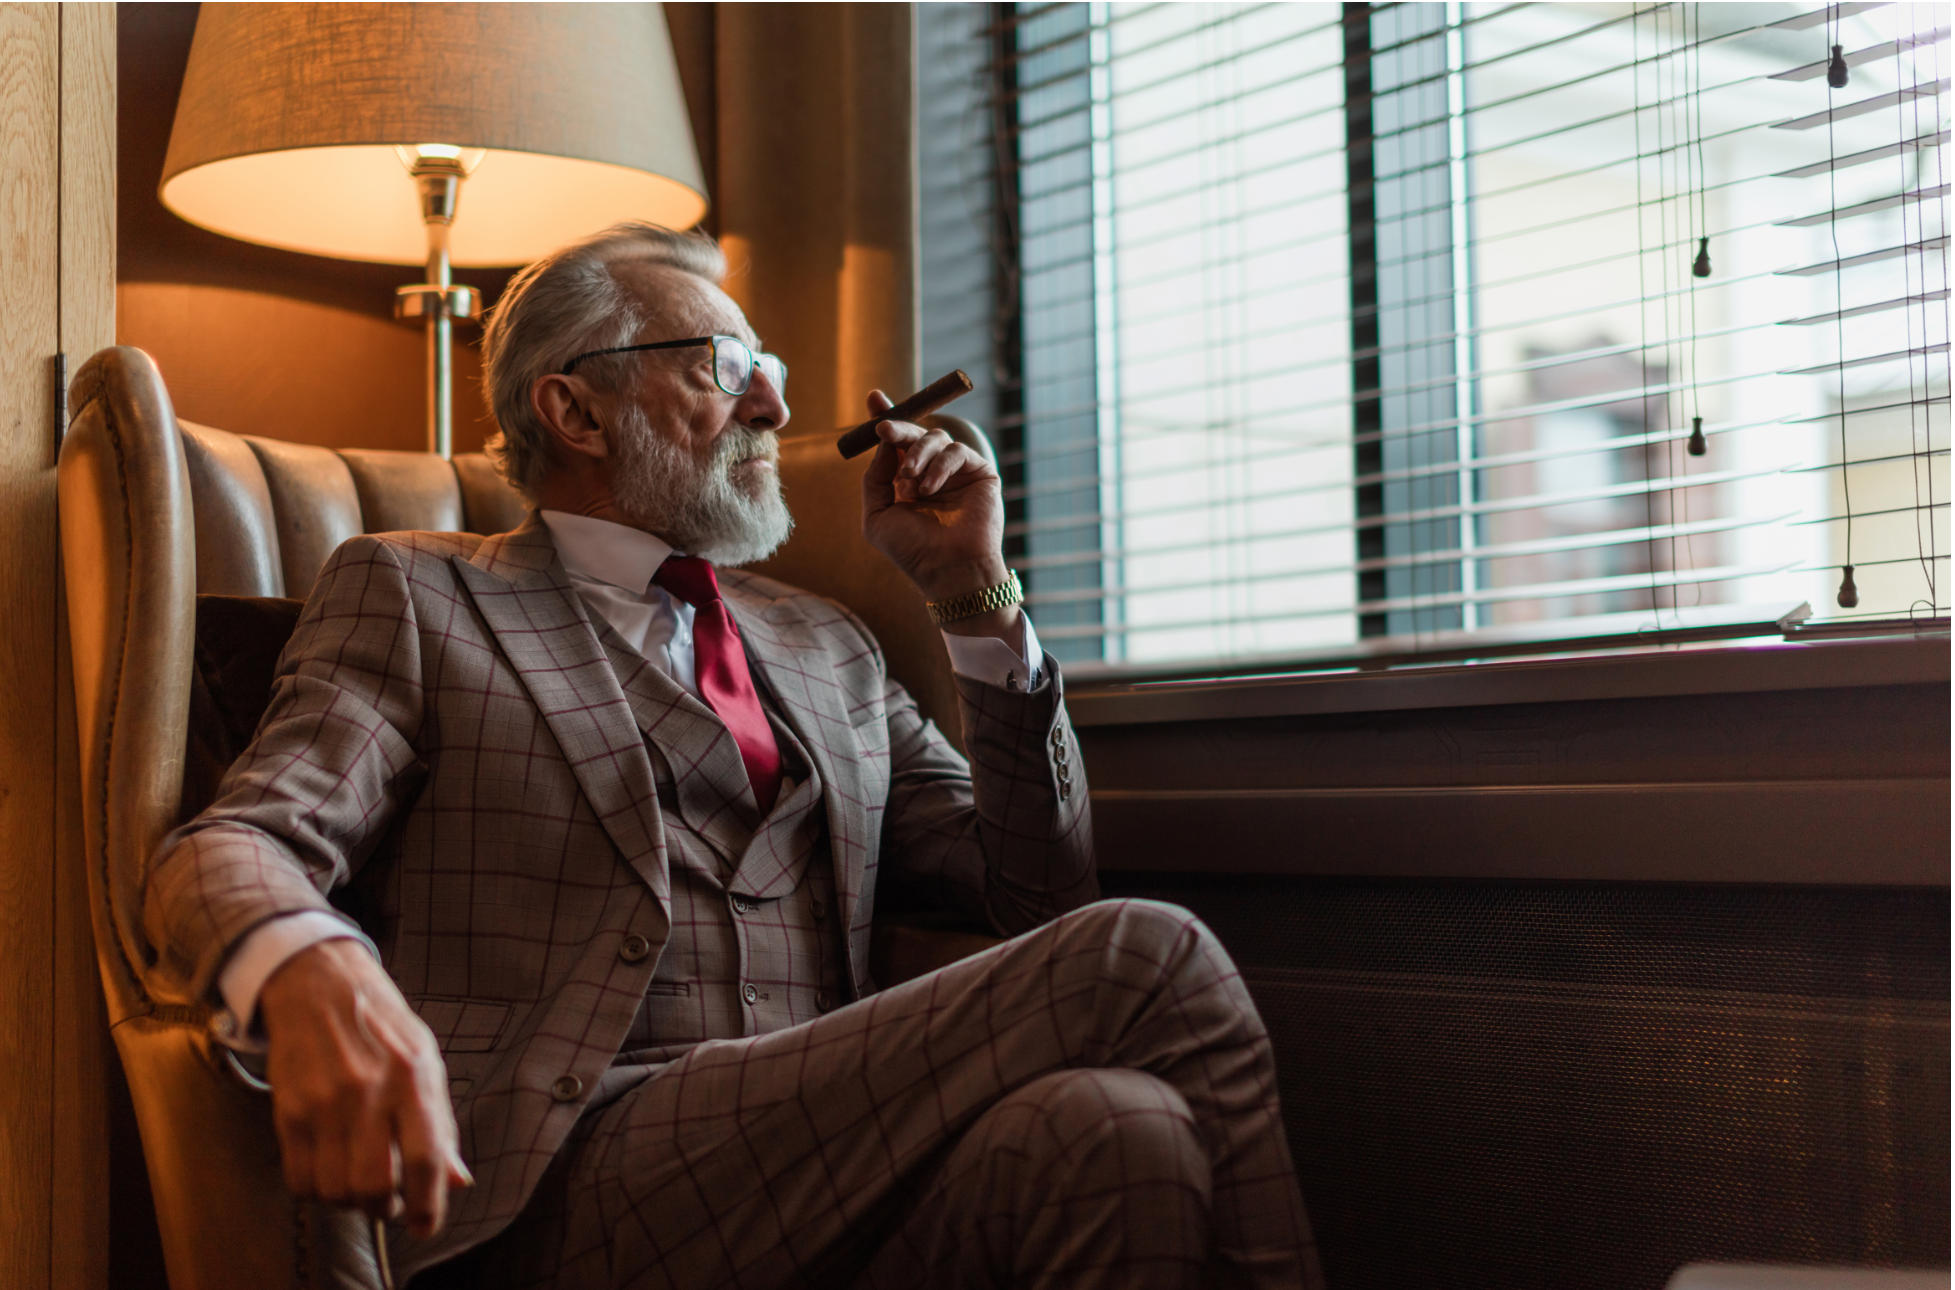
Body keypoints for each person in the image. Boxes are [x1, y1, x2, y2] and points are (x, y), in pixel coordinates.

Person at [146, 222, 1320, 1288]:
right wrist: (311, 967)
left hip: (824, 1180)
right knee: (1145, 956)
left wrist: (975, 602)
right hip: (559, 1186)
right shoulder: (420, 595)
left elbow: (1031, 892)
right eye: (722, 365)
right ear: (576, 411)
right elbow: (238, 842)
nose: (769, 405)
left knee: (1121, 1135)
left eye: (772, 373)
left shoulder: (826, 643)